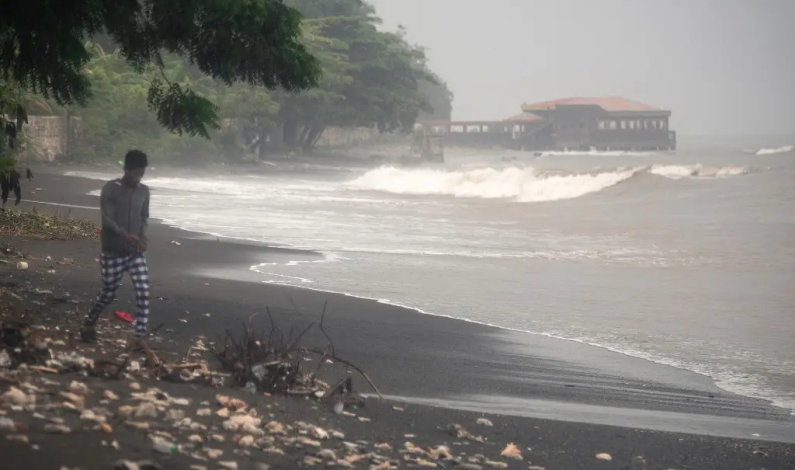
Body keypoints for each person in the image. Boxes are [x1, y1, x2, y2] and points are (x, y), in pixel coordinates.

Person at [80, 150, 151, 343]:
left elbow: (144, 217)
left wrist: (143, 238)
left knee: (143, 291)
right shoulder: (110, 189)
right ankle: (89, 322)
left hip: (134, 252)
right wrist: (124, 234)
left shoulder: (144, 191)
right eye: (135, 173)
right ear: (126, 169)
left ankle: (139, 336)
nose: (138, 178)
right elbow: (107, 218)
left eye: (141, 174)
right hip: (113, 251)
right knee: (108, 292)